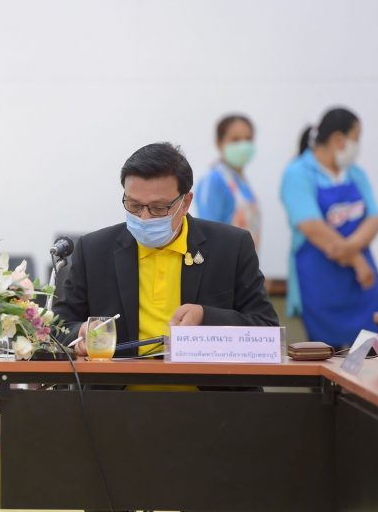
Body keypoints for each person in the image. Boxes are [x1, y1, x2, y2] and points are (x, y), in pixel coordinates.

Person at [55, 142, 278, 358]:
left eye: (159, 208)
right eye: (134, 205)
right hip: (119, 382)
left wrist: (206, 316)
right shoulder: (94, 250)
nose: (144, 217)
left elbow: (267, 329)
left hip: (203, 382)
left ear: (186, 202)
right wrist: (80, 333)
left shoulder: (231, 247)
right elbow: (57, 328)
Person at [280, 107, 378, 347]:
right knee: (326, 356)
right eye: (356, 138)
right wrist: (356, 259)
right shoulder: (298, 172)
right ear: (338, 139)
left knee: (370, 355)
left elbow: (374, 219)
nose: (357, 145)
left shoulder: (356, 174)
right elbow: (312, 227)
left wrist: (349, 248)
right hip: (321, 282)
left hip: (361, 284)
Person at [194, 114, 261, 248]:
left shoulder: (242, 183)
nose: (243, 145)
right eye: (235, 140)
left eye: (248, 139)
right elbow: (207, 233)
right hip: (224, 260)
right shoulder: (213, 180)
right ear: (219, 143)